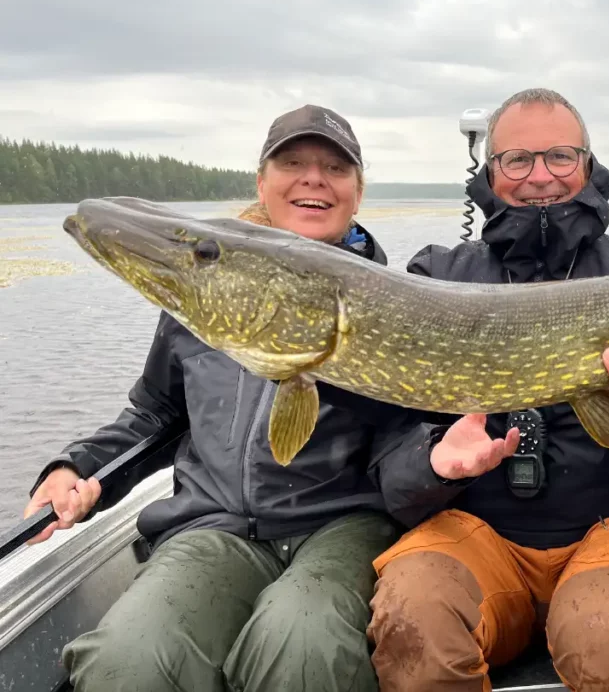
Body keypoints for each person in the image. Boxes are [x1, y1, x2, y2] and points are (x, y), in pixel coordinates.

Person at [24, 104, 424, 692]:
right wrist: (76, 466)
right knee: (125, 660)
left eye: (335, 168)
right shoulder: (203, 299)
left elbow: (414, 443)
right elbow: (156, 414)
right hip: (212, 526)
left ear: (357, 194)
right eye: (292, 163)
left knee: (305, 649)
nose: (314, 178)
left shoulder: (396, 301)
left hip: (342, 528)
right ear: (262, 184)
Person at [365, 88, 609, 691]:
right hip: (470, 532)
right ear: (489, 172)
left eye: (559, 156)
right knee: (415, 616)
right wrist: (433, 464)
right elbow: (390, 466)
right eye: (517, 159)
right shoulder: (436, 277)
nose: (540, 176)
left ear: (588, 164)